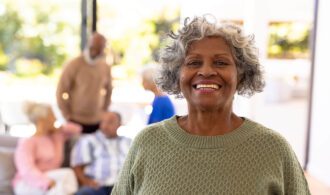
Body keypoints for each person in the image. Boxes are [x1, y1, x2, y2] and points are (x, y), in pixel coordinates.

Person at [111, 16, 311, 194]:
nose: (206, 71)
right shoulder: (147, 143)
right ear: (176, 75)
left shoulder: (273, 150)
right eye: (193, 62)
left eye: (221, 63)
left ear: (241, 75)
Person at [12, 102, 82, 195]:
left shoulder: (56, 136)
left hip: (51, 177)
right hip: (28, 183)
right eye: (52, 116)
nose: (55, 119)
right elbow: (27, 170)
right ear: (42, 120)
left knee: (68, 174)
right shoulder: (27, 142)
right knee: (59, 188)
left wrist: (60, 128)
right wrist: (47, 183)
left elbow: (77, 129)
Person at [56, 32, 112, 134]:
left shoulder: (105, 67)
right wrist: (67, 115)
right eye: (93, 47)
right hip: (75, 120)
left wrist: (104, 110)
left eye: (99, 48)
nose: (96, 50)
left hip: (97, 121)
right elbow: (60, 91)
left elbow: (109, 90)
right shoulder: (74, 64)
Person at [70, 111, 131, 195]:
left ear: (119, 124)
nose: (105, 126)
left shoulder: (128, 142)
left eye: (110, 122)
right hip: (98, 186)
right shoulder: (89, 141)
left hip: (123, 186)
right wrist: (86, 182)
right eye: (103, 122)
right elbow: (77, 166)